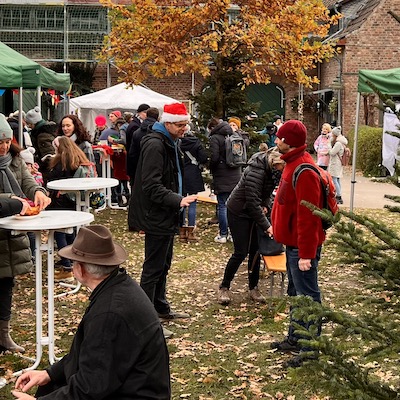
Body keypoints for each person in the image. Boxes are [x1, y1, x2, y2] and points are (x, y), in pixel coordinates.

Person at [12, 225, 171, 400]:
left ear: (80, 269)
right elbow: (91, 356)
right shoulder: (118, 286)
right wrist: (49, 373)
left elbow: (90, 388)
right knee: (50, 385)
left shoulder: (110, 313)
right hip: (128, 385)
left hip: (134, 393)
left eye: (73, 262)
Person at [130, 103, 197, 339]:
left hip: (166, 212)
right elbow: (151, 185)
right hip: (156, 214)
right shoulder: (155, 144)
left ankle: (160, 307)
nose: (184, 129)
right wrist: (177, 199)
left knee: (164, 264)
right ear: (167, 123)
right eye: (180, 125)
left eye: (185, 124)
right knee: (153, 268)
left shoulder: (170, 141)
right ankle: (146, 321)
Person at [270, 120, 326, 368]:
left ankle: (310, 348)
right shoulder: (291, 164)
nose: (276, 141)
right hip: (293, 245)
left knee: (308, 297)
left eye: (279, 138)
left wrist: (306, 254)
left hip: (302, 248)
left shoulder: (303, 170)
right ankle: (295, 338)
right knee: (295, 293)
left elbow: (309, 217)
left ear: (289, 141)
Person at [0, 114, 51, 353]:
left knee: (6, 284)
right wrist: (13, 200)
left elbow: (28, 183)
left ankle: (4, 335)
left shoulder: (15, 160)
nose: (3, 146)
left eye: (6, 141)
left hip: (12, 235)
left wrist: (38, 192)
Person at [218, 147, 284, 305]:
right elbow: (252, 201)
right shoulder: (257, 170)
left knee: (256, 251)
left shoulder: (271, 172)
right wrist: (267, 226)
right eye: (283, 165)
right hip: (238, 212)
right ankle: (224, 287)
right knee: (241, 251)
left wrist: (266, 204)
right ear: (275, 163)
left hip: (252, 211)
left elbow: (266, 194)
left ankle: (253, 287)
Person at [47, 136, 94, 282]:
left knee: (59, 233)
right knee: (71, 232)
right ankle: (74, 263)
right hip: (73, 200)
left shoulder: (60, 161)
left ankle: (67, 267)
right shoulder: (78, 158)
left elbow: (52, 181)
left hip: (59, 202)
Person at [208, 117, 242, 243]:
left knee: (222, 205)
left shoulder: (215, 138)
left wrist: (211, 167)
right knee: (233, 206)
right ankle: (234, 234)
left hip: (222, 174)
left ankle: (223, 234)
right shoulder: (234, 135)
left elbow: (214, 157)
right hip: (235, 172)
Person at [179, 124, 208, 243]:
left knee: (180, 202)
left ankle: (181, 231)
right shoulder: (196, 143)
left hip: (181, 172)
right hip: (193, 172)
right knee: (192, 204)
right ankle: (191, 232)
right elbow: (203, 158)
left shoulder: (178, 143)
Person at [127, 107, 159, 187]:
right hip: (155, 168)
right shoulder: (159, 131)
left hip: (138, 167)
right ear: (157, 117)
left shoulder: (137, 132)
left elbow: (132, 153)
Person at [25, 106, 58, 184]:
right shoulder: (48, 130)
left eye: (29, 124)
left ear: (34, 123)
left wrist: (39, 164)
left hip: (47, 169)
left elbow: (48, 155)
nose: (29, 126)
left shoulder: (42, 136)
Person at [328, 126, 347, 204]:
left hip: (335, 163)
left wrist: (329, 146)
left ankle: (339, 196)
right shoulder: (341, 143)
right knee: (337, 179)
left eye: (332, 134)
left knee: (334, 179)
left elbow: (332, 153)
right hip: (337, 163)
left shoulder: (338, 143)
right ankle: (339, 195)